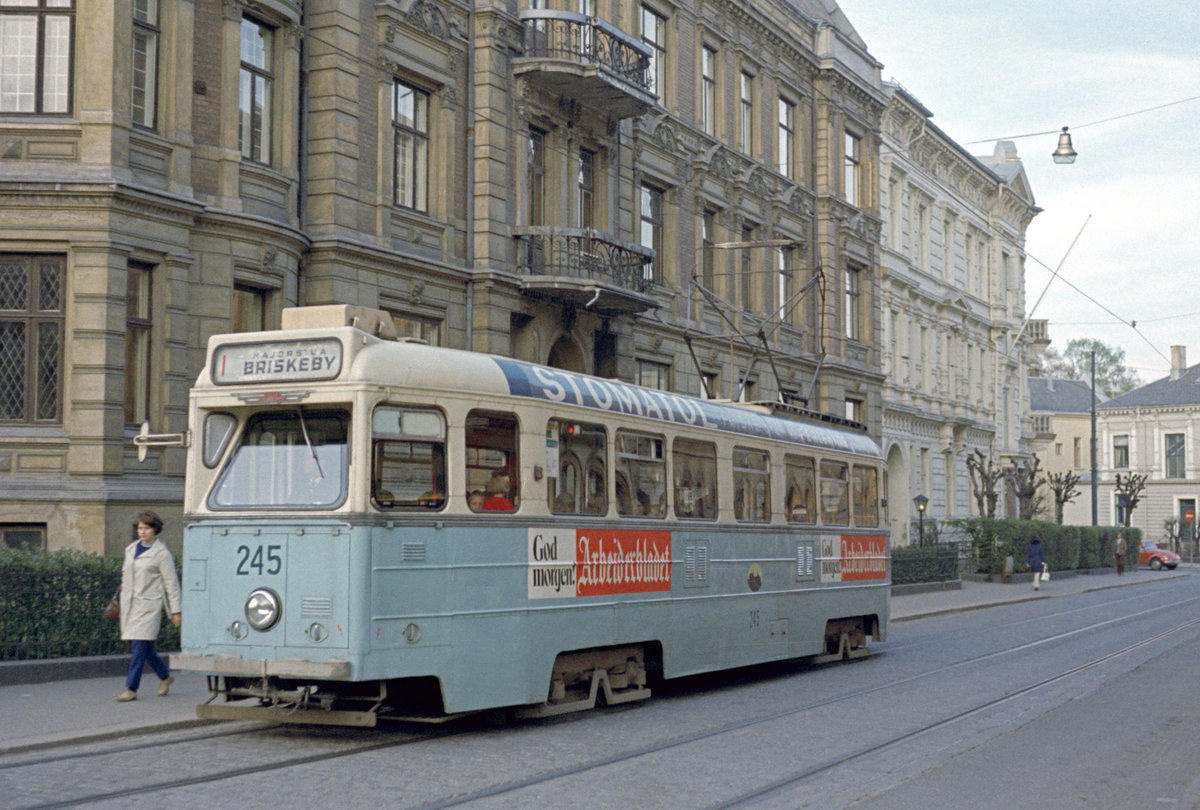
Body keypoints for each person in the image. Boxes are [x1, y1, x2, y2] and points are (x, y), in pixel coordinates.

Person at [116, 510, 183, 702]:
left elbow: (172, 583)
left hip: (149, 606)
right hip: (131, 604)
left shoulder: (161, 554)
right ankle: (165, 677)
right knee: (145, 649)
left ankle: (131, 688)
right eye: (139, 528)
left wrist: (176, 611)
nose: (142, 532)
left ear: (155, 529)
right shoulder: (131, 549)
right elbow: (125, 574)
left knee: (138, 648)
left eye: (146, 528)